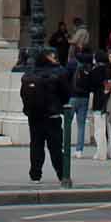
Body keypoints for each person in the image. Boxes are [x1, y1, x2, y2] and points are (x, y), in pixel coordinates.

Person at [21, 46, 72, 187]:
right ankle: (62, 174)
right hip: (52, 115)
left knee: (36, 145)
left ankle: (35, 174)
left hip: (34, 116)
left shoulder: (29, 74)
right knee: (55, 146)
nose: (54, 58)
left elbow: (23, 95)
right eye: (52, 56)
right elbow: (66, 94)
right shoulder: (58, 73)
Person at [68, 43, 98, 158]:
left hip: (73, 96)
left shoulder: (73, 63)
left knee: (67, 123)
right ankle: (79, 150)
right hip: (85, 97)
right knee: (81, 125)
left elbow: (66, 77)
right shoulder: (91, 64)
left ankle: (65, 146)